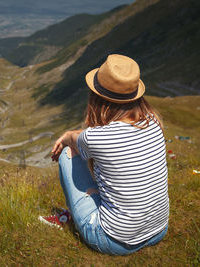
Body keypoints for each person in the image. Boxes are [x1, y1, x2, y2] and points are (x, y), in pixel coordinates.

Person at [39, 54, 169, 255]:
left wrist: (65, 137)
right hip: (159, 230)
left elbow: (74, 139)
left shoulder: (96, 138)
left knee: (68, 153)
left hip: (114, 241)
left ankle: (72, 216)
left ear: (98, 98)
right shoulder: (153, 121)